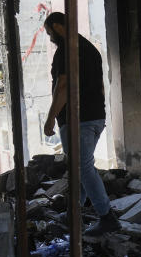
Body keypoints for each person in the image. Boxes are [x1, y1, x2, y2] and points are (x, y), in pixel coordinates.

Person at [43, 12, 121, 236]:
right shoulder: (87, 47)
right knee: (81, 167)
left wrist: (50, 119)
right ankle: (73, 214)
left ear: (58, 26)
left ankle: (107, 217)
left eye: (50, 33)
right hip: (95, 117)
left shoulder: (67, 50)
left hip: (79, 120)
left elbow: (63, 87)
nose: (50, 39)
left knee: (82, 167)